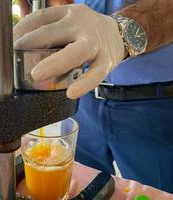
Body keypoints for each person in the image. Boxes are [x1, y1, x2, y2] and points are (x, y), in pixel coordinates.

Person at [15, 0, 173, 193]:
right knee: (78, 188)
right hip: (81, 99)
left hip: (153, 105)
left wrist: (120, 32)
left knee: (157, 192)